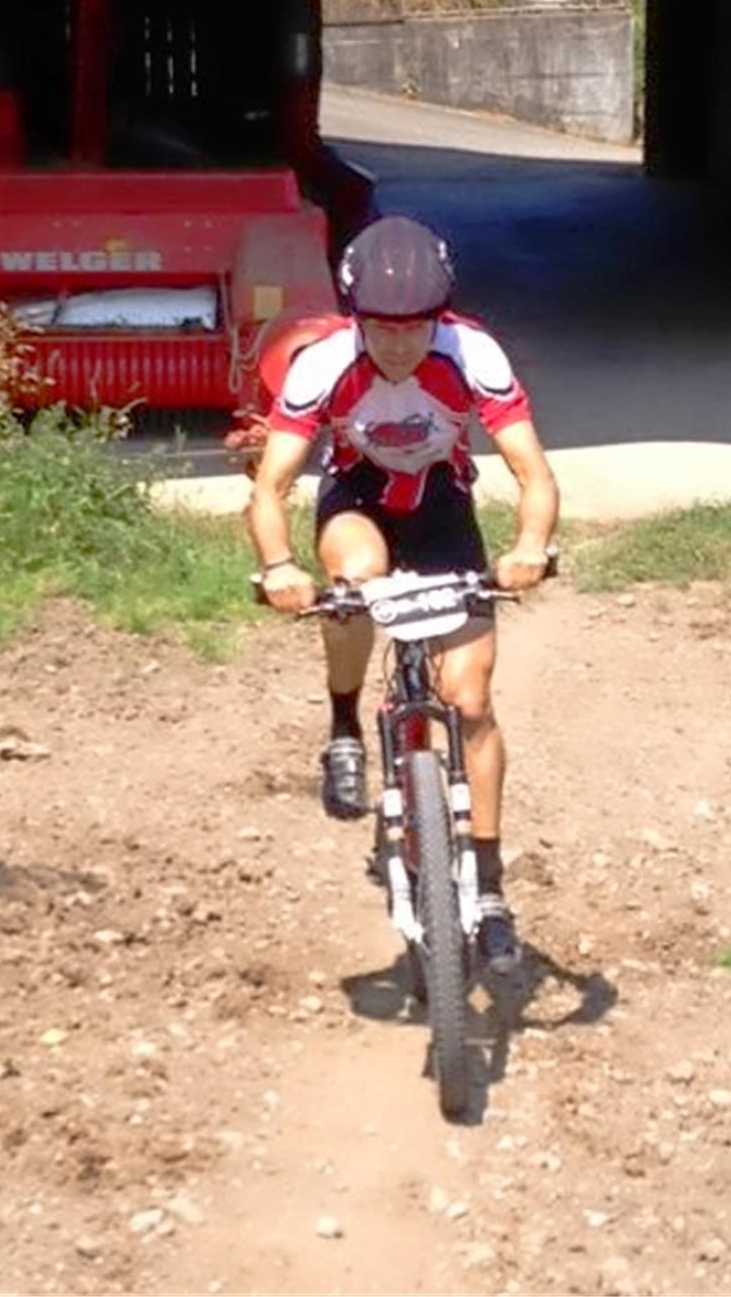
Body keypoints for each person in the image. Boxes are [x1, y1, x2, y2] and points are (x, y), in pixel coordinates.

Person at [246, 215, 559, 973]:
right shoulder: (322, 366)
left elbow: (533, 474)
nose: (397, 344)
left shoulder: (472, 354)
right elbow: (272, 484)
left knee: (473, 699)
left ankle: (487, 887)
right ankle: (347, 724)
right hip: (357, 500)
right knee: (351, 585)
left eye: (414, 327)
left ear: (439, 317)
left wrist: (528, 547)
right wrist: (280, 564)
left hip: (443, 510)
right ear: (356, 321)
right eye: (380, 329)